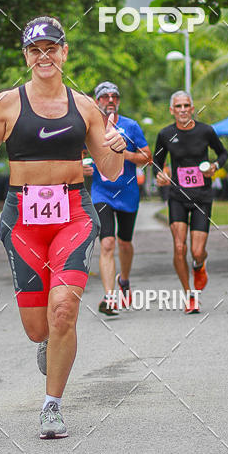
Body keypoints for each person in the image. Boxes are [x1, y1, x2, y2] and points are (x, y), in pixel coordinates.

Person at [0, 16, 126, 439]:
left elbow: (110, 170)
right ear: (26, 57)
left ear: (64, 52)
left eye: (51, 48)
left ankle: (52, 405)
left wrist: (116, 147)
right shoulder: (7, 103)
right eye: (35, 50)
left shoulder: (85, 107)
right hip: (23, 219)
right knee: (38, 327)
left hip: (74, 214)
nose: (44, 56)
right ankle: (48, 342)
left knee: (63, 311)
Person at [153, 91, 228, 313]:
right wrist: (160, 174)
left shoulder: (206, 131)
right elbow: (156, 162)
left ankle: (199, 264)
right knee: (179, 247)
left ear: (192, 108)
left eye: (186, 105)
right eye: (178, 106)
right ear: (172, 110)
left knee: (196, 251)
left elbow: (223, 153)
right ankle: (189, 296)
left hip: (202, 197)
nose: (183, 109)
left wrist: (215, 166)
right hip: (177, 196)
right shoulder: (165, 134)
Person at [86, 81, 152, 315]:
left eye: (115, 96)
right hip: (101, 192)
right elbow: (77, 154)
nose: (111, 100)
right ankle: (109, 297)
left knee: (124, 242)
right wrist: (82, 166)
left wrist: (124, 154)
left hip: (128, 192)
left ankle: (124, 280)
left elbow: (147, 157)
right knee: (107, 243)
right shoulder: (90, 127)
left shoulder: (130, 126)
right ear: (97, 101)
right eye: (105, 96)